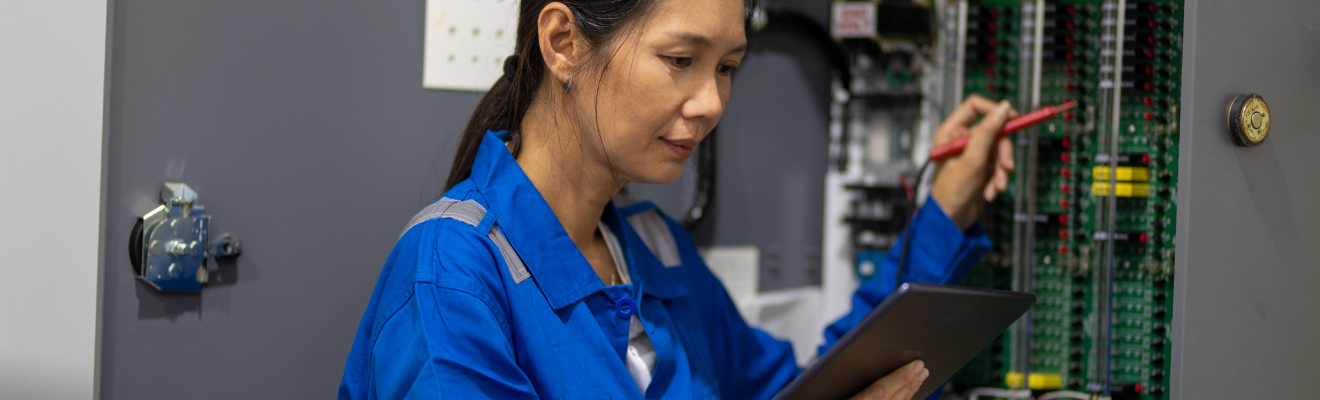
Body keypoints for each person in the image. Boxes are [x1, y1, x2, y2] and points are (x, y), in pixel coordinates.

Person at [338, 0, 1016, 398]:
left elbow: (798, 389)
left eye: (726, 68)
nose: (712, 102)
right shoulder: (454, 272)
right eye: (680, 60)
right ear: (562, 43)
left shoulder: (651, 246)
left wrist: (944, 215)